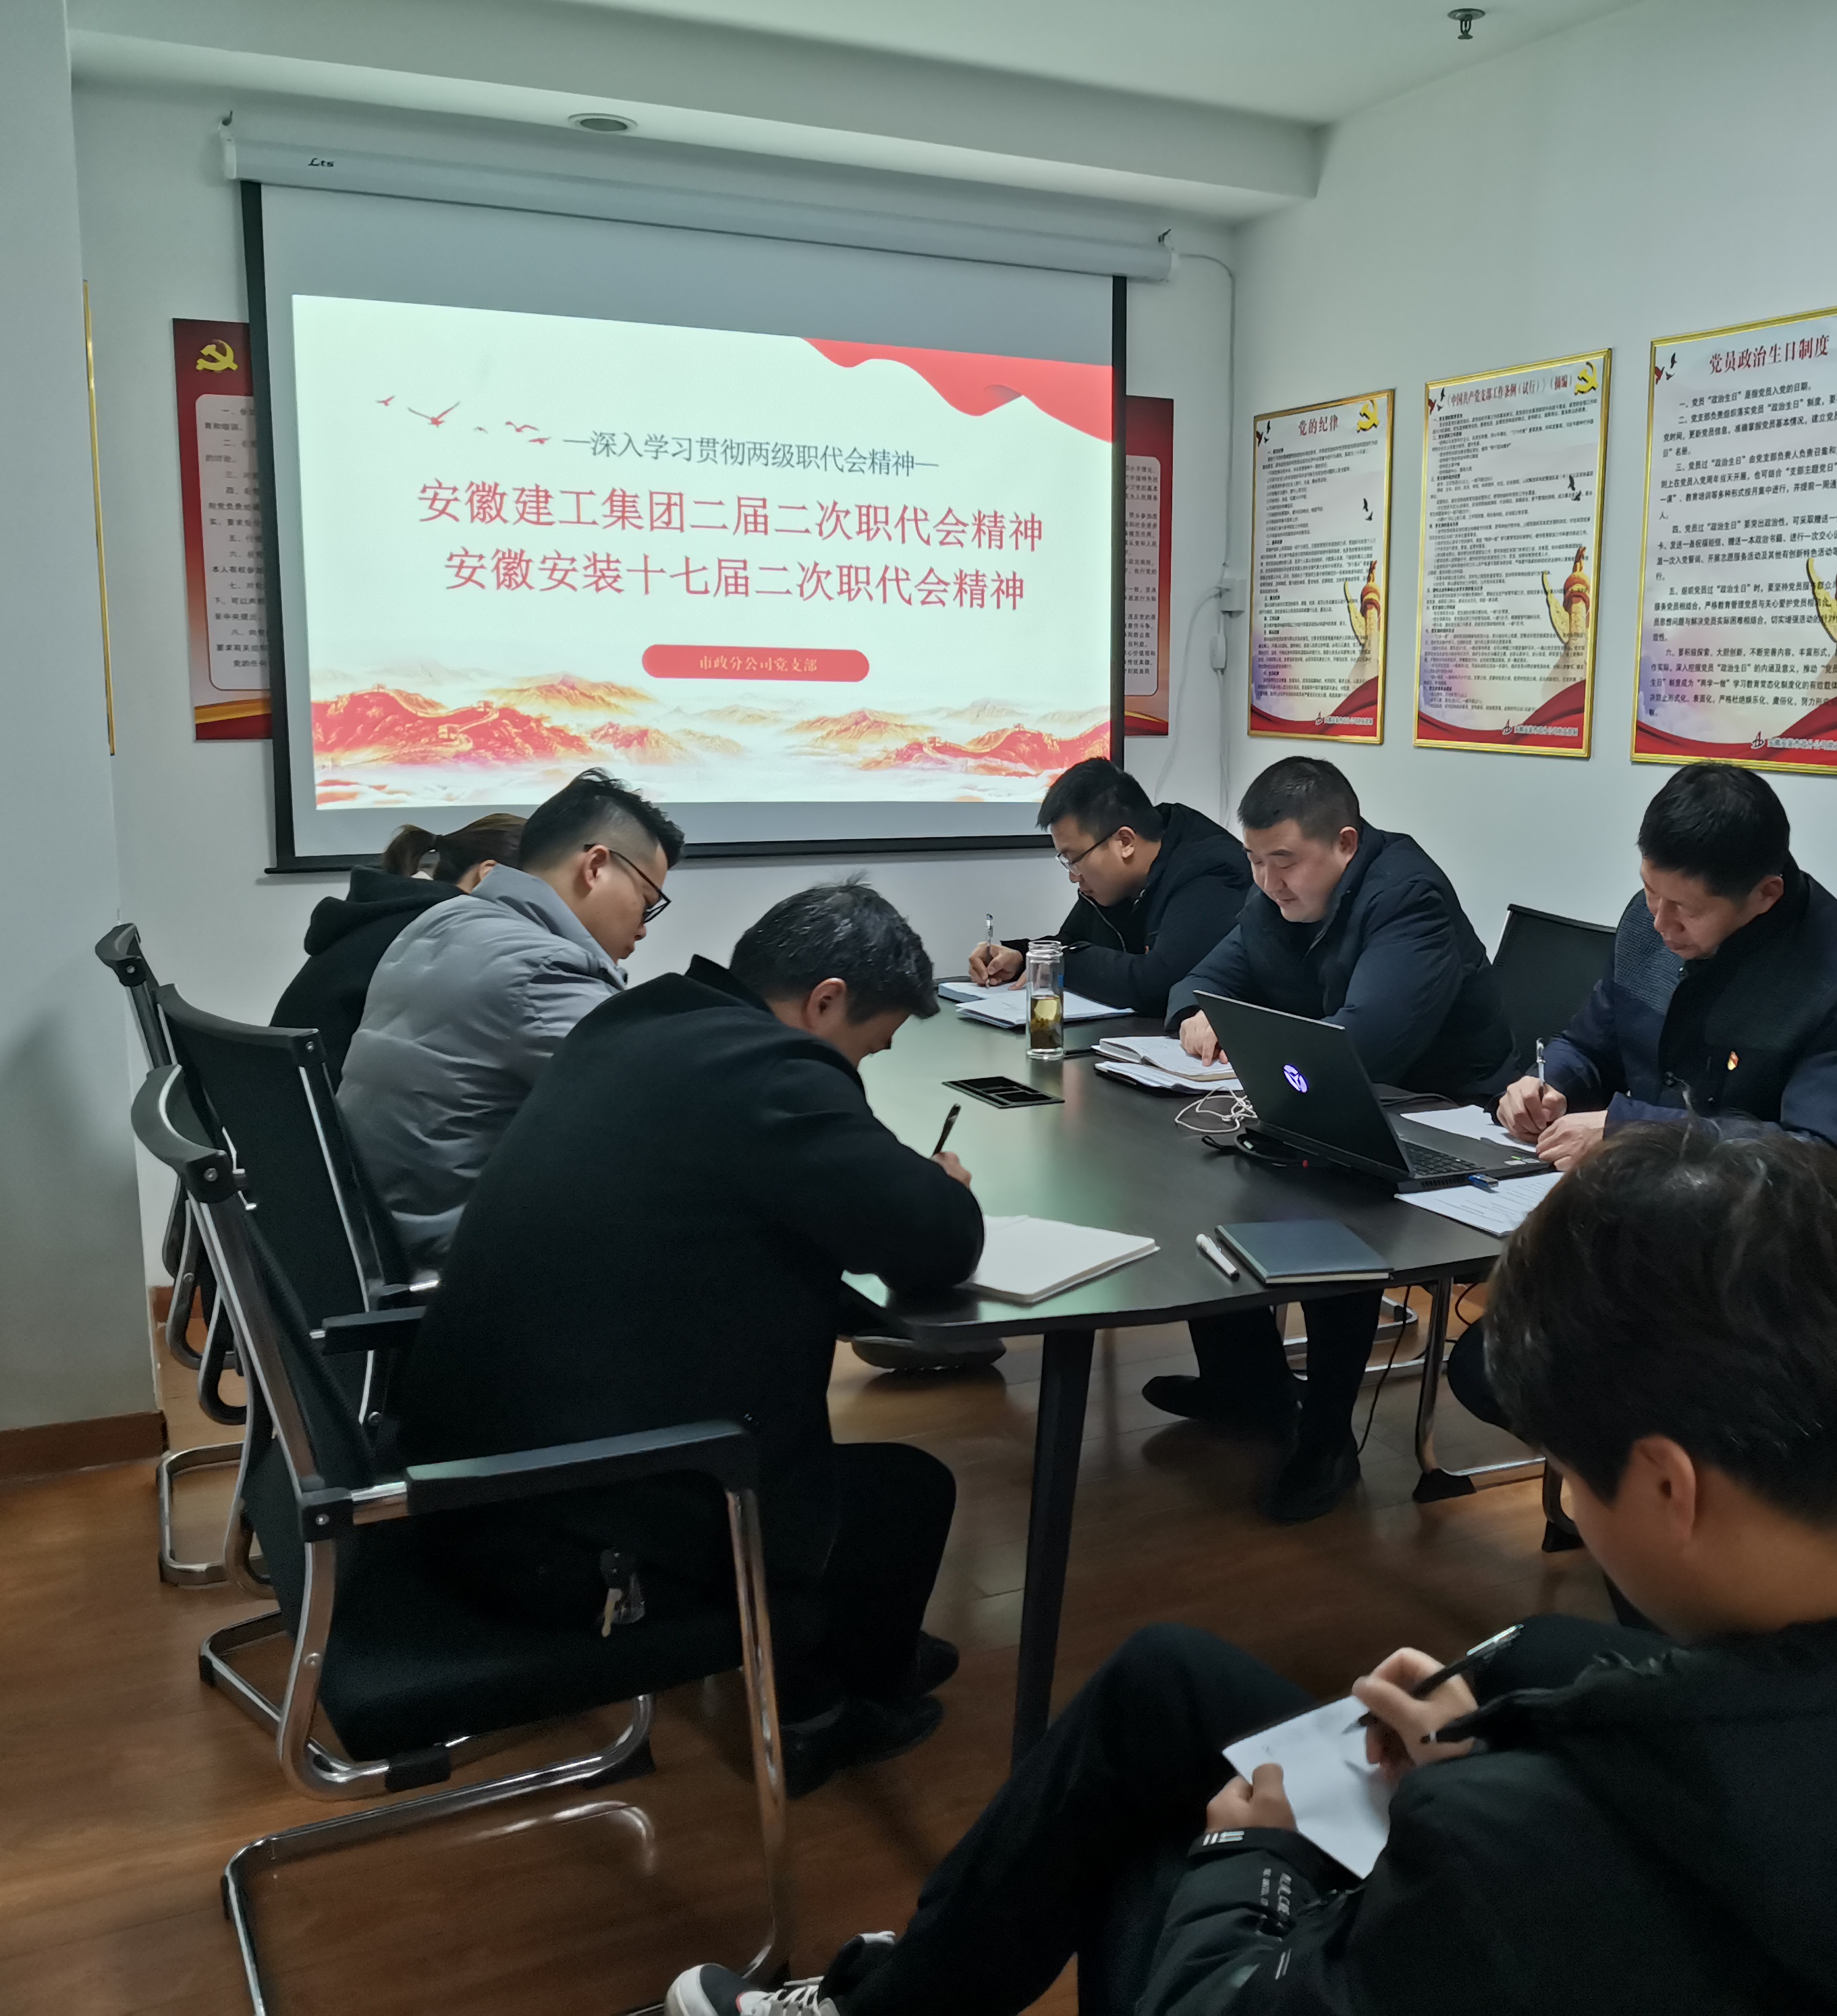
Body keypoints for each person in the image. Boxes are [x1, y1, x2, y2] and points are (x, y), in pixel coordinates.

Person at [666, 1126, 1837, 2016]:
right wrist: (1507, 1721)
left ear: (1664, 1485)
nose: (1561, 1494)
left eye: (1562, 1467)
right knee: (1168, 1679)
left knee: (1168, 1809)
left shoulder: (1526, 1852)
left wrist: (1252, 1858)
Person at [402, 881, 983, 1791]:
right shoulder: (773, 1074)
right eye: (870, 1046)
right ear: (825, 1000)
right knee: (905, 1492)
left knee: (843, 1470)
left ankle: (843, 1661)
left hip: (470, 1480)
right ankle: (817, 1720)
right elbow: (936, 1243)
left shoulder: (635, 1022)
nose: (862, 1071)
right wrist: (940, 1187)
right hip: (565, 1540)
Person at [1153, 757, 1517, 1523]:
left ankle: (1326, 1440)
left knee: (1328, 1204)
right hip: (1346, 1106)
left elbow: (1366, 1046)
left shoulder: (1408, 897)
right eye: (1255, 861)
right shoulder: (1273, 893)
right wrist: (1198, 1012)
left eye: (1283, 862)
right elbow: (1202, 980)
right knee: (1206, 1176)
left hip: (1450, 1116)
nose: (1267, 882)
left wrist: (1256, 1041)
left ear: (1344, 844)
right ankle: (1246, 1386)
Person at [339, 768, 680, 1268]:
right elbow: (660, 1112)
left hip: (374, 1231)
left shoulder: (442, 921)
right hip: (456, 1258)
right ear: (596, 866)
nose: (643, 929)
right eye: (646, 904)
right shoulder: (543, 967)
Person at [1495, 760, 1837, 1178]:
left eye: (1688, 909)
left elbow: (1823, 1157)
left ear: (1765, 894)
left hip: (1759, 1211)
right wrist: (1547, 1085)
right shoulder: (1650, 922)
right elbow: (1589, 1046)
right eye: (1650, 890)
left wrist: (1633, 1132)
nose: (1660, 923)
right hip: (1647, 1191)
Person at [964, 759, 1246, 1013]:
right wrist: (1024, 957)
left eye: (1075, 860)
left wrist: (1056, 962)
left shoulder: (1212, 871)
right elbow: (1072, 942)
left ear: (1124, 842)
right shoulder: (1114, 882)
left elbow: (1158, 984)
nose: (1073, 877)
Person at [272, 814, 526, 1074]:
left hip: (293, 1086)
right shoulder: (442, 932)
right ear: (488, 875)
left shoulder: (398, 913)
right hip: (340, 1091)